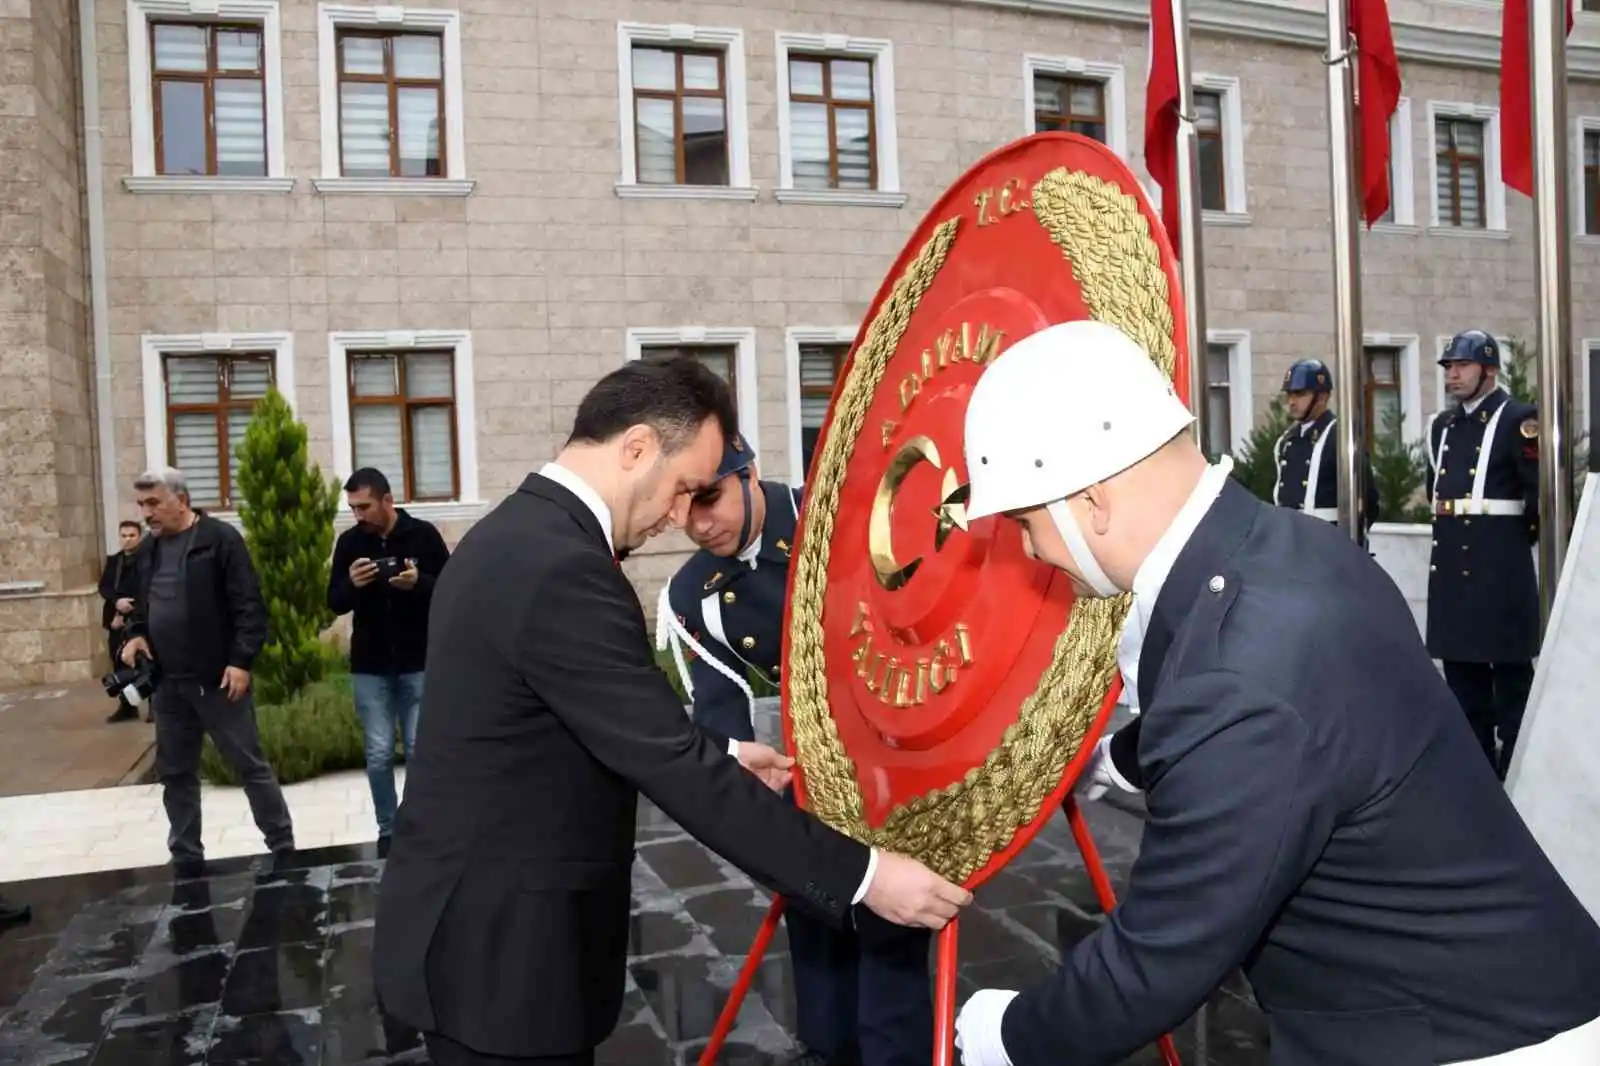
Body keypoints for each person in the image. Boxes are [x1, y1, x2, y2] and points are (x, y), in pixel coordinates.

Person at [951, 321, 1600, 1066]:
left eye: (1027, 522)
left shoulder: (1243, 665)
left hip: (1467, 1036)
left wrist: (1011, 1033)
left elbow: (1165, 952)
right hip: (1478, 993)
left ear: (1092, 499)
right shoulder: (1278, 547)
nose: (1029, 550)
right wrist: (1125, 757)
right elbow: (1299, 725)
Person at [373, 356, 971, 1066]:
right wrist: (869, 878)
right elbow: (673, 769)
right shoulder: (563, 568)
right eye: (683, 489)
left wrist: (723, 751)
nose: (679, 519)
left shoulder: (518, 535)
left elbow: (581, 717)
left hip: (478, 942)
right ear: (635, 448)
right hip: (502, 965)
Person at [657, 437, 932, 1066]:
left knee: (893, 918)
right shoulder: (692, 591)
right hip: (807, 762)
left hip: (896, 749)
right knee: (812, 899)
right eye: (681, 507)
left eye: (710, 498)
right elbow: (719, 702)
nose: (698, 524)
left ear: (750, 474)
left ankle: (898, 1053)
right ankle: (829, 1046)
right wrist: (742, 779)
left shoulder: (840, 517)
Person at [119, 467, 295, 874]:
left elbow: (249, 607)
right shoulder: (147, 550)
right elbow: (141, 608)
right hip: (169, 685)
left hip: (217, 680)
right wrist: (137, 635)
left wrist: (240, 661)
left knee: (249, 765)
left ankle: (283, 846)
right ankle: (185, 854)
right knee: (176, 773)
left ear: (181, 500)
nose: (147, 513)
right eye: (142, 504)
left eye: (154, 503)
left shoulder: (219, 541)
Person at [1427, 329, 1541, 780]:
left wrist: (1509, 554)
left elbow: (1539, 499)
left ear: (1489, 370)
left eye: (1462, 366)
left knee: (1511, 691)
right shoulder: (1444, 427)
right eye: (1449, 367)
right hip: (1455, 574)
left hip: (1499, 573)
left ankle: (1517, 780)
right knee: (1464, 692)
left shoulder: (1518, 419)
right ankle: (1478, 784)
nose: (1452, 375)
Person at [328, 467, 451, 855]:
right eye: (353, 508)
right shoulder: (350, 543)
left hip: (418, 659)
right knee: (379, 752)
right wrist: (353, 584)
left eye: (364, 506)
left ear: (387, 500)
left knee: (419, 749)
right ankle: (388, 828)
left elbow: (452, 590)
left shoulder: (423, 536)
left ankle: (422, 823)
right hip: (371, 664)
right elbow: (333, 602)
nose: (359, 515)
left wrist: (419, 584)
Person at [1271, 359, 1380, 531]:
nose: (1292, 401)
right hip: (1291, 539)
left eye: (1300, 394)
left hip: (1327, 538)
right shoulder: (1286, 441)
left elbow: (1368, 499)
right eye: (1289, 394)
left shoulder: (1340, 436)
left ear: (1322, 396)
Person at [100, 519, 147, 722]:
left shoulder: (147, 560)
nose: (127, 540)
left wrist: (132, 605)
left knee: (146, 662)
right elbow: (105, 587)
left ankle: (154, 707)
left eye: (132, 535)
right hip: (117, 620)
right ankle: (127, 706)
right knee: (119, 663)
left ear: (139, 536)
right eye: (124, 535)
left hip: (141, 617)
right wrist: (117, 602)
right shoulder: (114, 561)